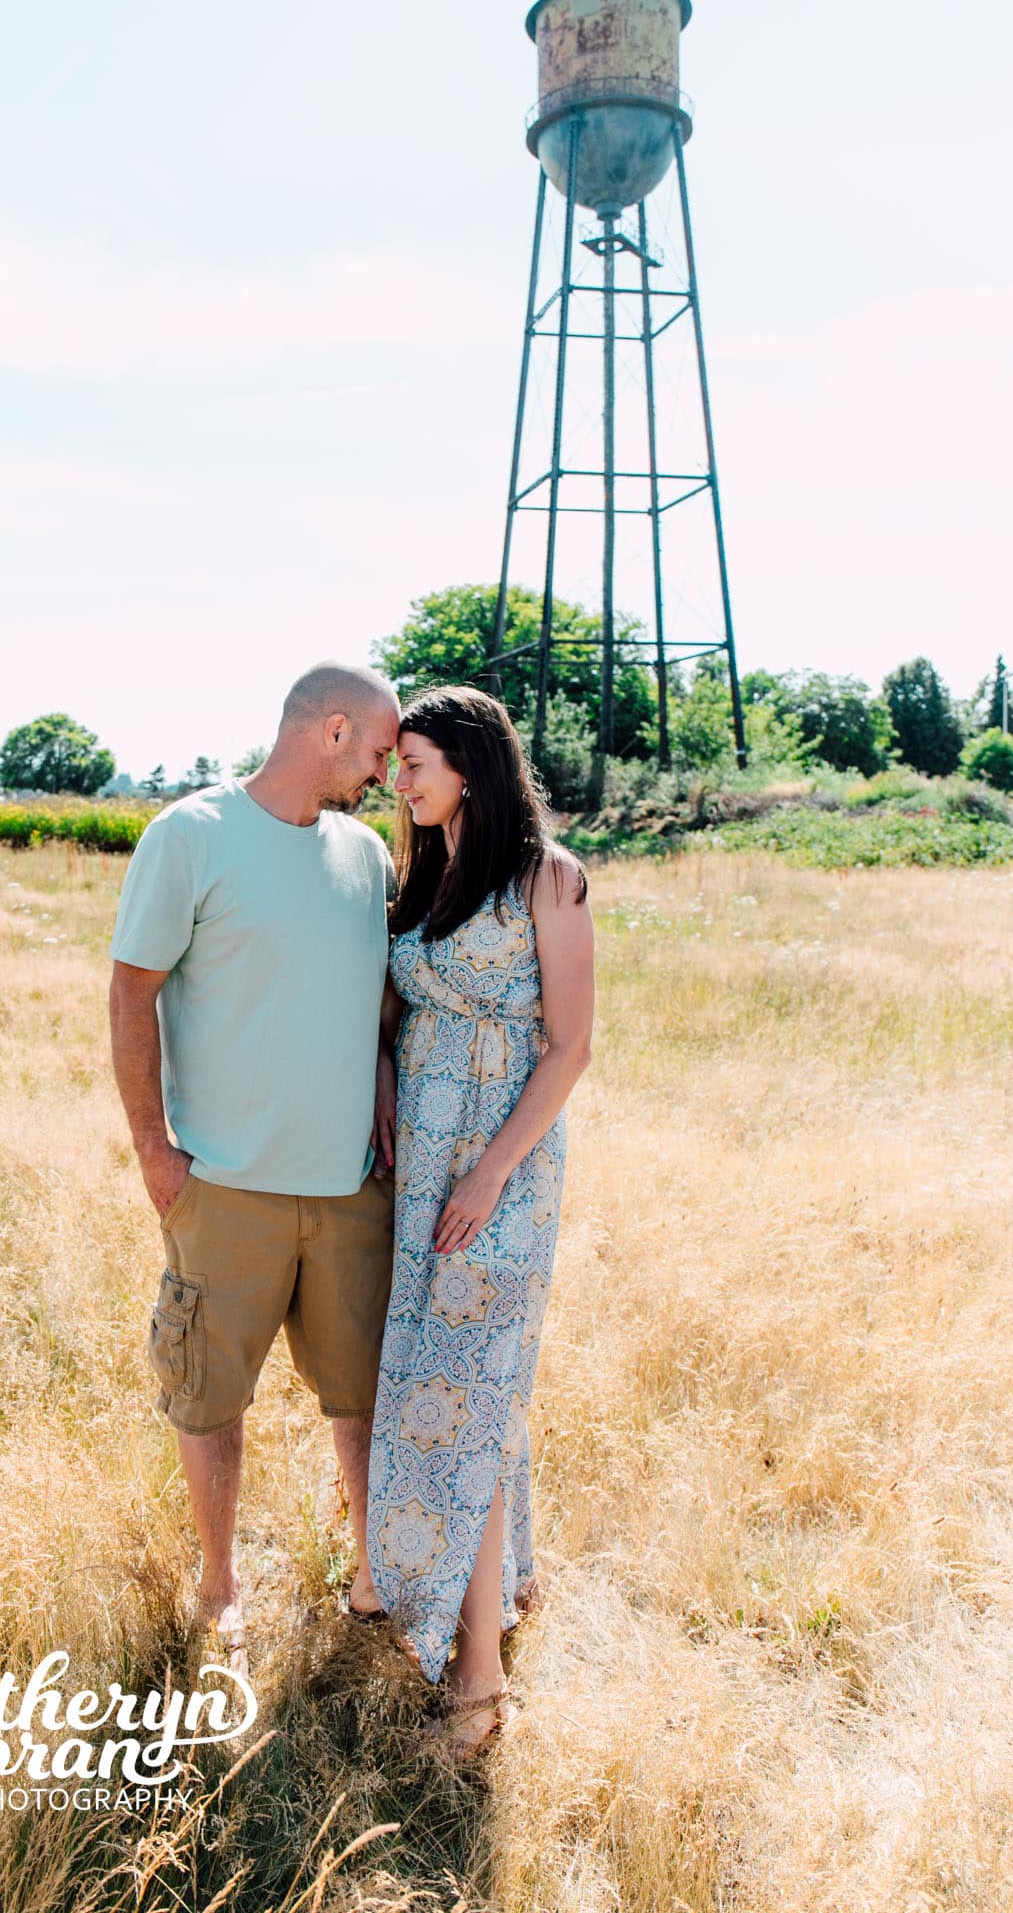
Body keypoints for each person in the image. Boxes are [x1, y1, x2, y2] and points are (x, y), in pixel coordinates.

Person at [108, 662, 401, 1672]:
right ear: (330, 729)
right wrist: (155, 1147)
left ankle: (374, 1575)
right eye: (374, 749)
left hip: (350, 1187)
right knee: (209, 1394)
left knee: (358, 1394)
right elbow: (130, 991)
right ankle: (220, 1585)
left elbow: (377, 1009)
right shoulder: (189, 836)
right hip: (224, 1185)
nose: (382, 771)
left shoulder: (367, 857)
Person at [363, 684, 596, 1758]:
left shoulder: (545, 879)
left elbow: (569, 1047)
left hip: (498, 1173)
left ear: (472, 765)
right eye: (397, 761)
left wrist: (488, 1174)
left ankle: (479, 1683)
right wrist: (386, 1101)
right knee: (456, 1384)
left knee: (469, 1386)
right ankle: (501, 1585)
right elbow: (393, 1012)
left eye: (415, 761)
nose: (397, 779)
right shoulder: (420, 877)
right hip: (420, 1168)